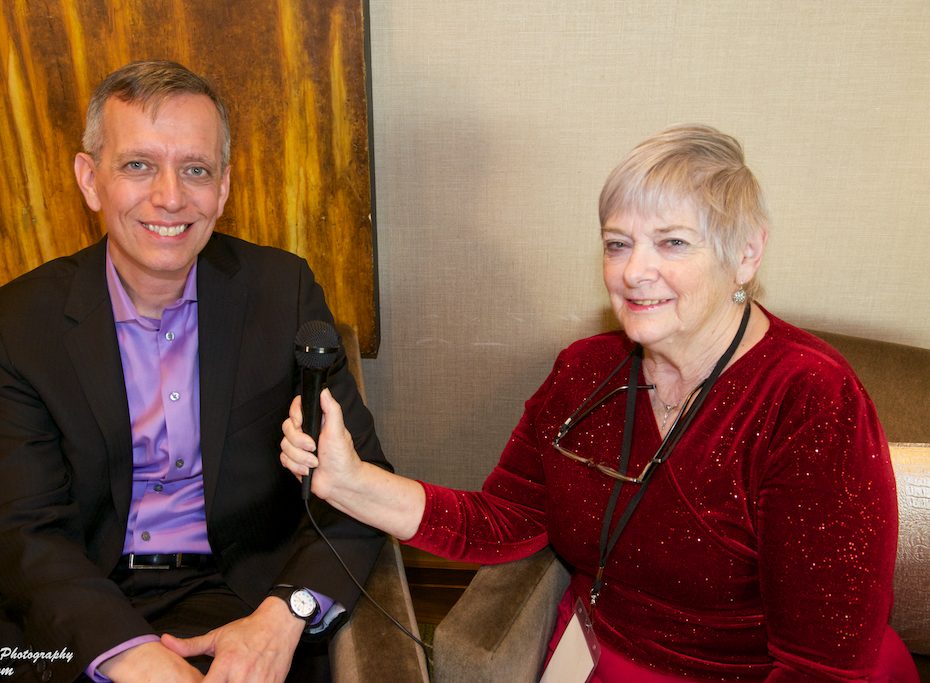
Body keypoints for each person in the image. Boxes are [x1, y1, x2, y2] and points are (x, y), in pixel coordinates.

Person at [281, 125, 918, 682]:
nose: (634, 271)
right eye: (618, 243)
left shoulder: (808, 401)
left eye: (672, 243)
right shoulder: (587, 371)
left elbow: (823, 666)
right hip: (594, 656)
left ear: (746, 253)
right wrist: (350, 481)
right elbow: (504, 520)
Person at [0, 60, 390, 683]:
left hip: (241, 592)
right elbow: (20, 530)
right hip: (75, 598)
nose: (171, 196)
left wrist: (287, 611)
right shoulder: (15, 325)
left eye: (196, 169)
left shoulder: (281, 290)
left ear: (224, 188)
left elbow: (365, 484)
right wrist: (127, 654)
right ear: (89, 178)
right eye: (137, 165)